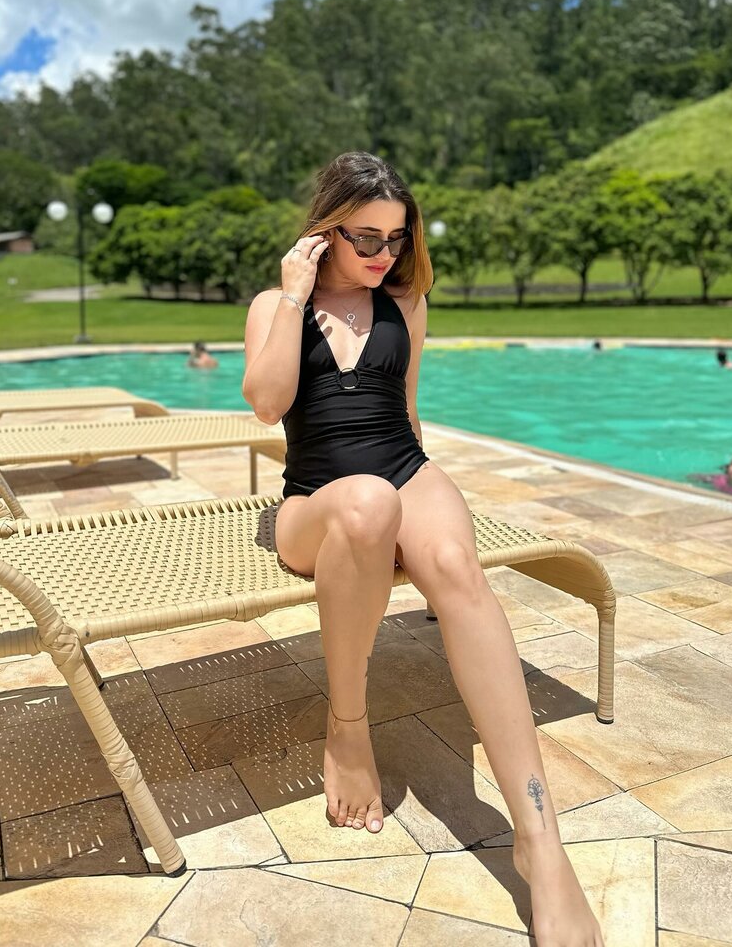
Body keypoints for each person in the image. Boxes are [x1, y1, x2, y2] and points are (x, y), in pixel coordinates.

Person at [242, 151, 605, 947]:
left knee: (454, 567)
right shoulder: (277, 302)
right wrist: (295, 294)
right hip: (316, 500)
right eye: (366, 238)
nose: (384, 254)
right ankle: (348, 726)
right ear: (326, 230)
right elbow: (267, 405)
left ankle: (541, 841)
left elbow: (406, 416)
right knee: (366, 505)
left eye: (397, 239)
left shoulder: (406, 303)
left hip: (403, 468)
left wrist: (425, 521)